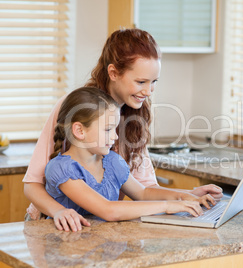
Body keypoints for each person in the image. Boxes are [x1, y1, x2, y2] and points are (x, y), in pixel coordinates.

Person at [23, 28, 223, 232]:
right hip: (53, 225)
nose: (148, 91)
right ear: (113, 73)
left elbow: (144, 190)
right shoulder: (76, 108)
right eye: (140, 82)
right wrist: (59, 211)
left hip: (96, 230)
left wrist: (187, 195)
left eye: (153, 82)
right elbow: (32, 184)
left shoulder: (133, 121)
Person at [45, 87, 215, 221]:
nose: (115, 136)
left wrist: (185, 196)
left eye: (115, 128)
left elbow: (143, 193)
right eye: (108, 129)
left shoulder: (111, 161)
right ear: (79, 130)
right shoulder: (63, 169)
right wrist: (167, 206)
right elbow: (108, 210)